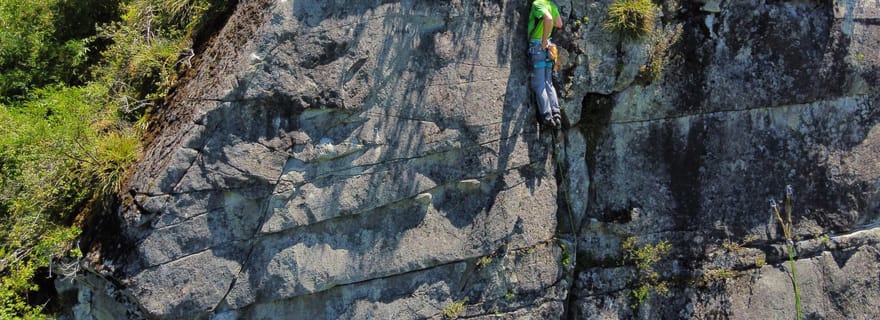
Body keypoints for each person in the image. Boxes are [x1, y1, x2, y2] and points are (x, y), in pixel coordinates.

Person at [527, 0, 563, 129]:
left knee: (539, 84)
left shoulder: (538, 3)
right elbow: (559, 24)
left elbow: (547, 19)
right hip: (549, 47)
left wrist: (542, 41)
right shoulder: (551, 5)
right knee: (548, 82)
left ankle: (547, 117)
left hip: (539, 46)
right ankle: (556, 113)